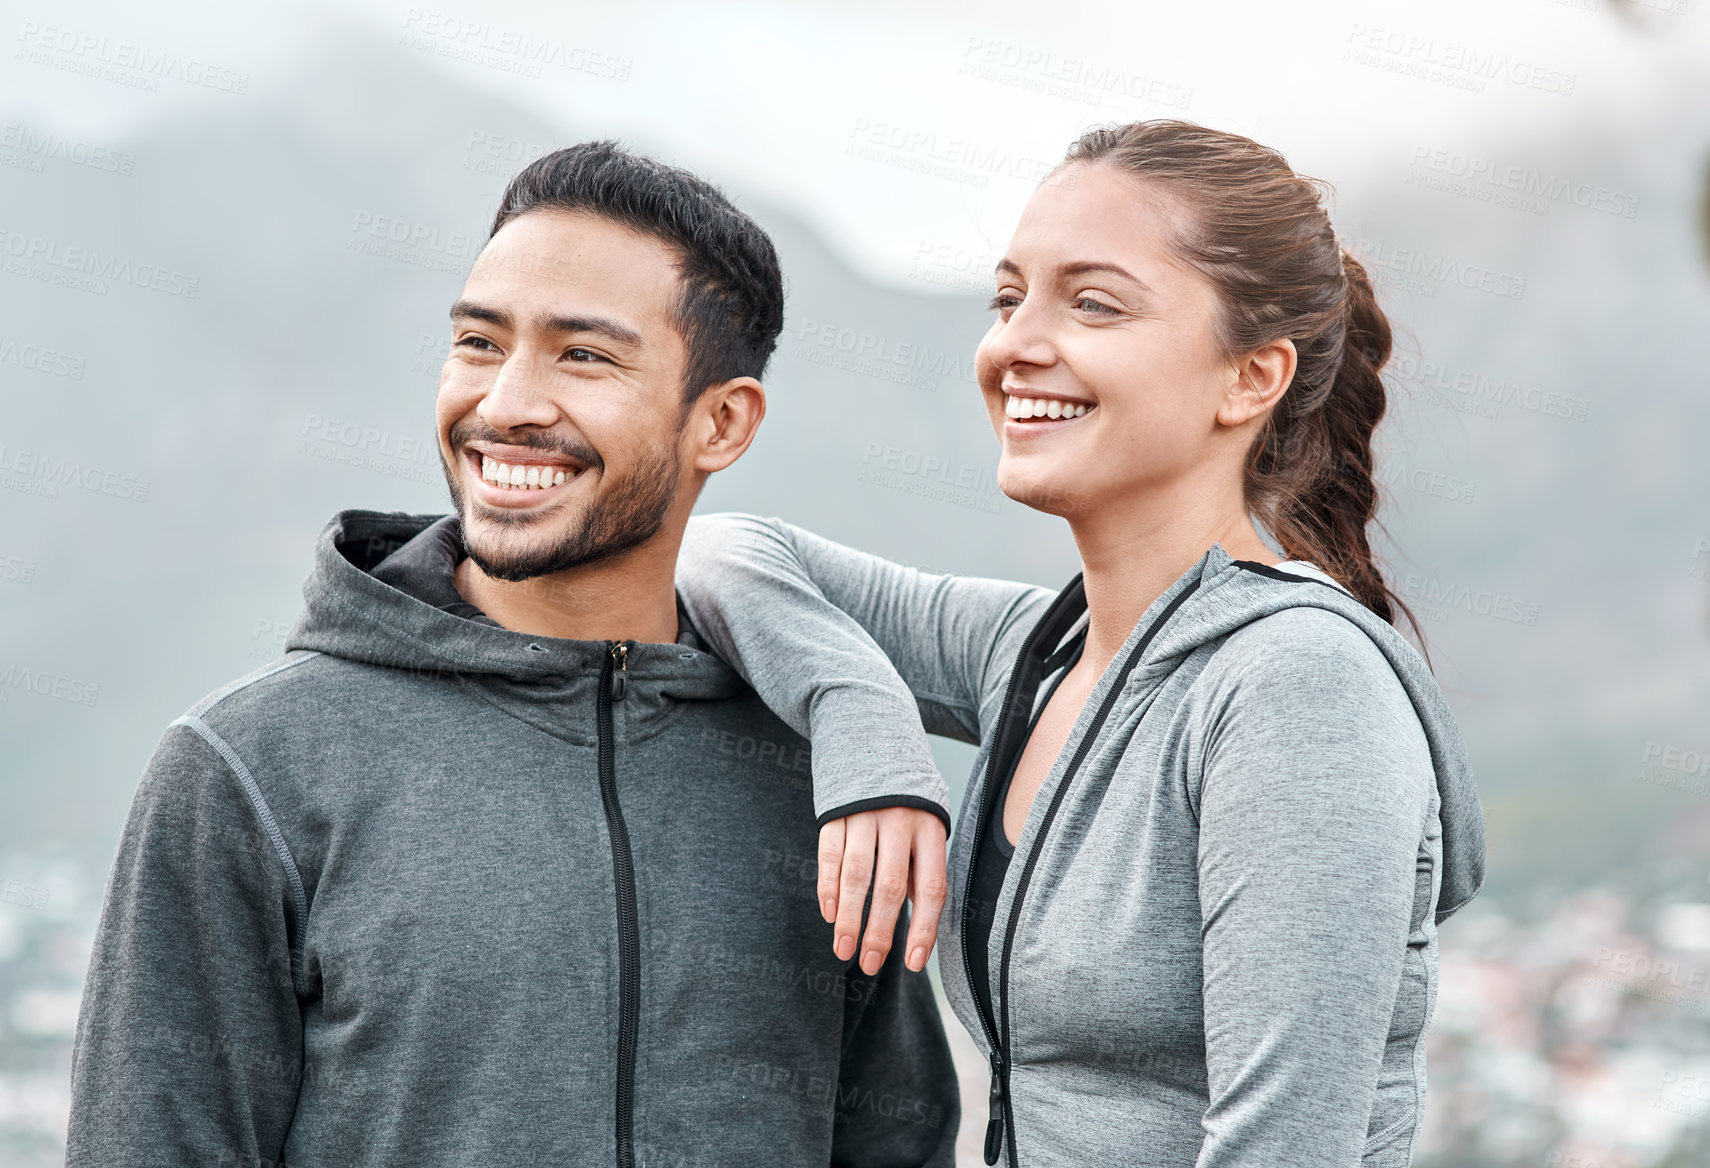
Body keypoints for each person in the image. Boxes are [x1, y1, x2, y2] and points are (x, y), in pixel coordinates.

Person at [66, 141, 959, 1168]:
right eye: (481, 343)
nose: (505, 404)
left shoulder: (821, 782)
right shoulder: (249, 769)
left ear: (721, 421)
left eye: (583, 355)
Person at [676, 119, 1487, 1166]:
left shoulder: (1292, 684)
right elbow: (725, 551)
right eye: (1009, 296)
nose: (1017, 342)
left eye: (1093, 302)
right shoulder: (1037, 650)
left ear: (1250, 378)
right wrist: (864, 723)